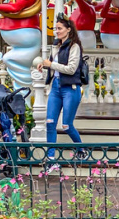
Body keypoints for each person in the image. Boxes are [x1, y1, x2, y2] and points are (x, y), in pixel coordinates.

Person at [38, 15, 85, 157]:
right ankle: (51, 157)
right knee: (50, 122)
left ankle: (81, 149)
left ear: (68, 30)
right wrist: (44, 65)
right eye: (55, 28)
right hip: (56, 86)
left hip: (70, 88)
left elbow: (71, 69)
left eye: (59, 28)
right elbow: (53, 65)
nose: (57, 31)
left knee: (67, 125)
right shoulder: (56, 46)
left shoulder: (74, 47)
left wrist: (51, 64)